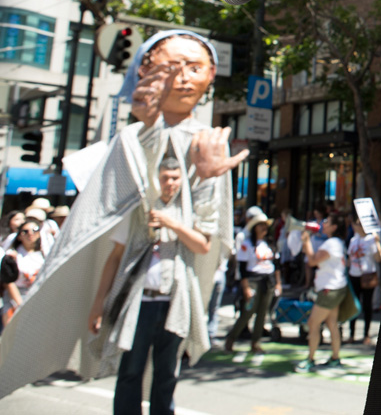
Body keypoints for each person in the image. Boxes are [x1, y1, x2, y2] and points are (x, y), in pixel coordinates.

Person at [0, 30, 246, 401]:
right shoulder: (129, 138)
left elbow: (208, 233)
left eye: (194, 68)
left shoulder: (209, 142)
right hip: (136, 290)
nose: (183, 78)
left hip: (176, 288)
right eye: (171, 67)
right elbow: (112, 213)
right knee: (130, 373)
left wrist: (208, 178)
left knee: (167, 374)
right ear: (146, 71)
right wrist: (147, 128)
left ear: (211, 74)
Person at [87, 156, 212, 415]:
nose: (170, 183)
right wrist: (99, 303)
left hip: (173, 302)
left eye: (175, 178)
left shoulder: (187, 211)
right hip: (139, 302)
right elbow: (115, 257)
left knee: (167, 373)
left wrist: (172, 224)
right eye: (165, 177)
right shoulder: (141, 210)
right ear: (157, 179)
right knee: (131, 369)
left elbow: (202, 246)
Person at [296, 212, 350, 371]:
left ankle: (310, 359)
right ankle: (335, 357)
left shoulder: (331, 244)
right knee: (332, 323)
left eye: (327, 222)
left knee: (313, 323)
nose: (323, 224)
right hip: (336, 287)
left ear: (334, 227)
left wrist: (306, 242)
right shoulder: (337, 243)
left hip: (329, 289)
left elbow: (312, 261)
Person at [223, 212, 280, 355]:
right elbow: (242, 268)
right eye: (260, 225)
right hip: (253, 280)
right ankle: (232, 338)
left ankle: (256, 342)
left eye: (265, 226)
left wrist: (278, 283)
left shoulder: (270, 244)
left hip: (268, 281)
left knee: (262, 312)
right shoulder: (247, 244)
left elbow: (277, 265)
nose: (264, 228)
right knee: (248, 311)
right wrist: (246, 287)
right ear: (254, 227)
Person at [346, 213, 381, 345]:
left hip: (368, 275)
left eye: (358, 224)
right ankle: (352, 333)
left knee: (367, 305)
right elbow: (349, 260)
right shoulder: (353, 240)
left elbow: (378, 259)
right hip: (354, 275)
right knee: (354, 305)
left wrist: (378, 244)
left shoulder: (371, 240)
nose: (356, 226)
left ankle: (366, 334)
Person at [2, 217, 44, 325]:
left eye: (35, 230)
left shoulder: (44, 255)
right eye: (25, 231)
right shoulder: (13, 255)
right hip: (14, 299)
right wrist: (20, 304)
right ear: (19, 236)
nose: (30, 234)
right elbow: (9, 282)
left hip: (36, 298)